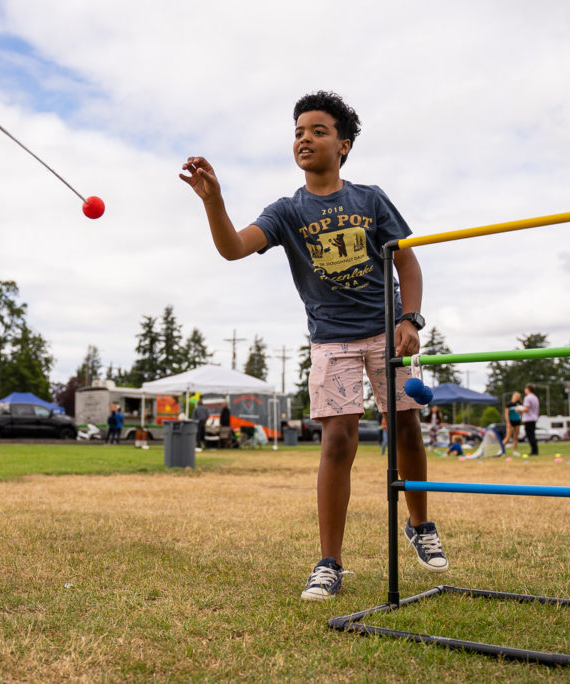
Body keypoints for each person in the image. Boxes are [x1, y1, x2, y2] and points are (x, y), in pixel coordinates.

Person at [180, 90, 448, 602]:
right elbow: (234, 248)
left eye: (318, 131)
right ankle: (330, 563)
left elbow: (407, 262)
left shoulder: (370, 199)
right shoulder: (287, 211)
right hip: (332, 341)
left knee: (407, 426)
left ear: (343, 145)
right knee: (338, 442)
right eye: (299, 131)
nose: (305, 138)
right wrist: (214, 200)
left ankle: (420, 523)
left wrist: (411, 317)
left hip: (387, 332)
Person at [517, 383, 540, 456]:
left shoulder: (527, 398)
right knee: (532, 434)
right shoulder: (535, 397)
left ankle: (534, 451)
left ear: (527, 389)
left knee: (530, 435)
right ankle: (535, 450)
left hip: (528, 419)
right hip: (534, 418)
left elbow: (526, 409)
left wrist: (519, 410)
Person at [504, 391, 522, 456]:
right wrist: (508, 423)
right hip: (511, 422)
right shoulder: (509, 404)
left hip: (517, 421)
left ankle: (515, 451)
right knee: (508, 437)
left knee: (516, 437)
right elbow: (506, 414)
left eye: (519, 397)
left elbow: (521, 412)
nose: (517, 398)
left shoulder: (519, 404)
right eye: (516, 396)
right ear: (513, 396)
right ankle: (501, 450)